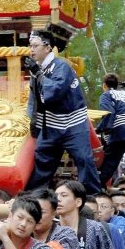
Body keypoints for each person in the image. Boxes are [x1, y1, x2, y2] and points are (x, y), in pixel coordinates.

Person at [25, 30, 101, 195]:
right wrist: (34, 122)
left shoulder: (61, 66)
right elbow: (35, 99)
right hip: (51, 124)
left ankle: (93, 196)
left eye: (36, 46)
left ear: (48, 48)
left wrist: (38, 74)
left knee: (84, 159)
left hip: (73, 123)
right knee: (43, 159)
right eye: (30, 46)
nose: (32, 50)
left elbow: (55, 91)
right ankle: (33, 197)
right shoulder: (36, 69)